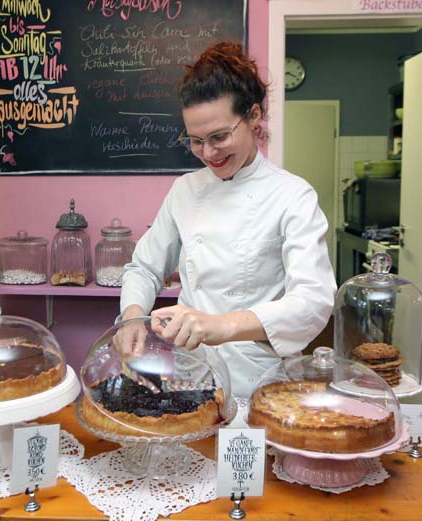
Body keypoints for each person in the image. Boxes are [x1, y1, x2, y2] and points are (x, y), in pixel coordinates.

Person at [119, 42, 336, 397]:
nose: (208, 153)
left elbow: (313, 301)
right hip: (193, 374)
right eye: (195, 140)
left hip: (260, 380)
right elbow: (144, 268)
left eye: (219, 137)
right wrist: (131, 316)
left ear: (253, 117)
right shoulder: (184, 191)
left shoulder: (292, 196)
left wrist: (221, 325)